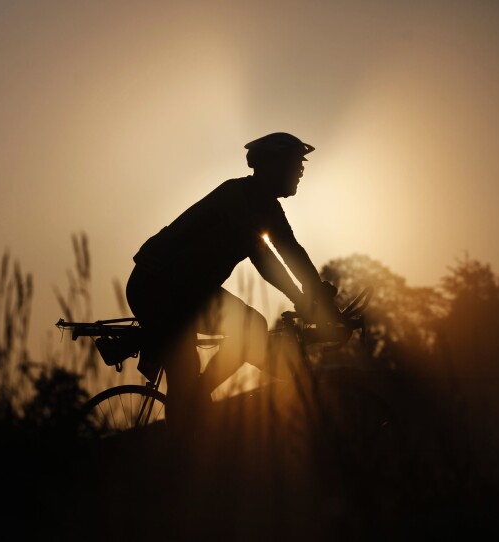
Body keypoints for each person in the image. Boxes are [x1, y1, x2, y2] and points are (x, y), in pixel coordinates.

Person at [125, 132, 341, 435]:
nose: (300, 174)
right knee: (201, 362)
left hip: (192, 290)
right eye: (295, 166)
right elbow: (263, 259)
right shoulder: (236, 197)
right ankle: (185, 439)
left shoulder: (268, 207)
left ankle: (195, 409)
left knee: (249, 332)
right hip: (157, 286)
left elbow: (292, 251)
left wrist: (319, 295)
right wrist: (301, 299)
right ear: (271, 166)